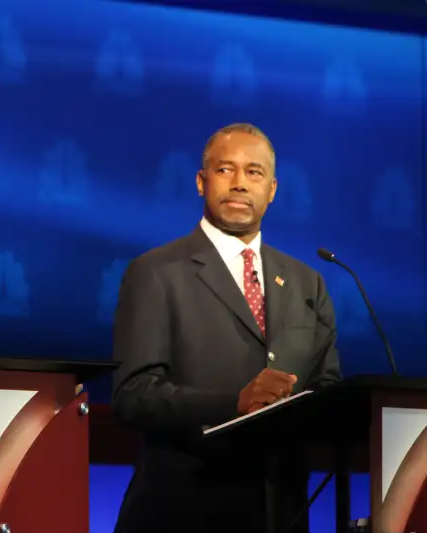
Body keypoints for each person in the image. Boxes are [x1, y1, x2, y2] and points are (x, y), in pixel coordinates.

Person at [111, 123, 342, 533]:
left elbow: (326, 389)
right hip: (183, 512)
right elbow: (133, 395)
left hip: (282, 512)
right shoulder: (155, 273)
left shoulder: (309, 283)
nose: (239, 184)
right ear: (202, 182)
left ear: (272, 190)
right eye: (225, 170)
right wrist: (234, 402)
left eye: (254, 173)